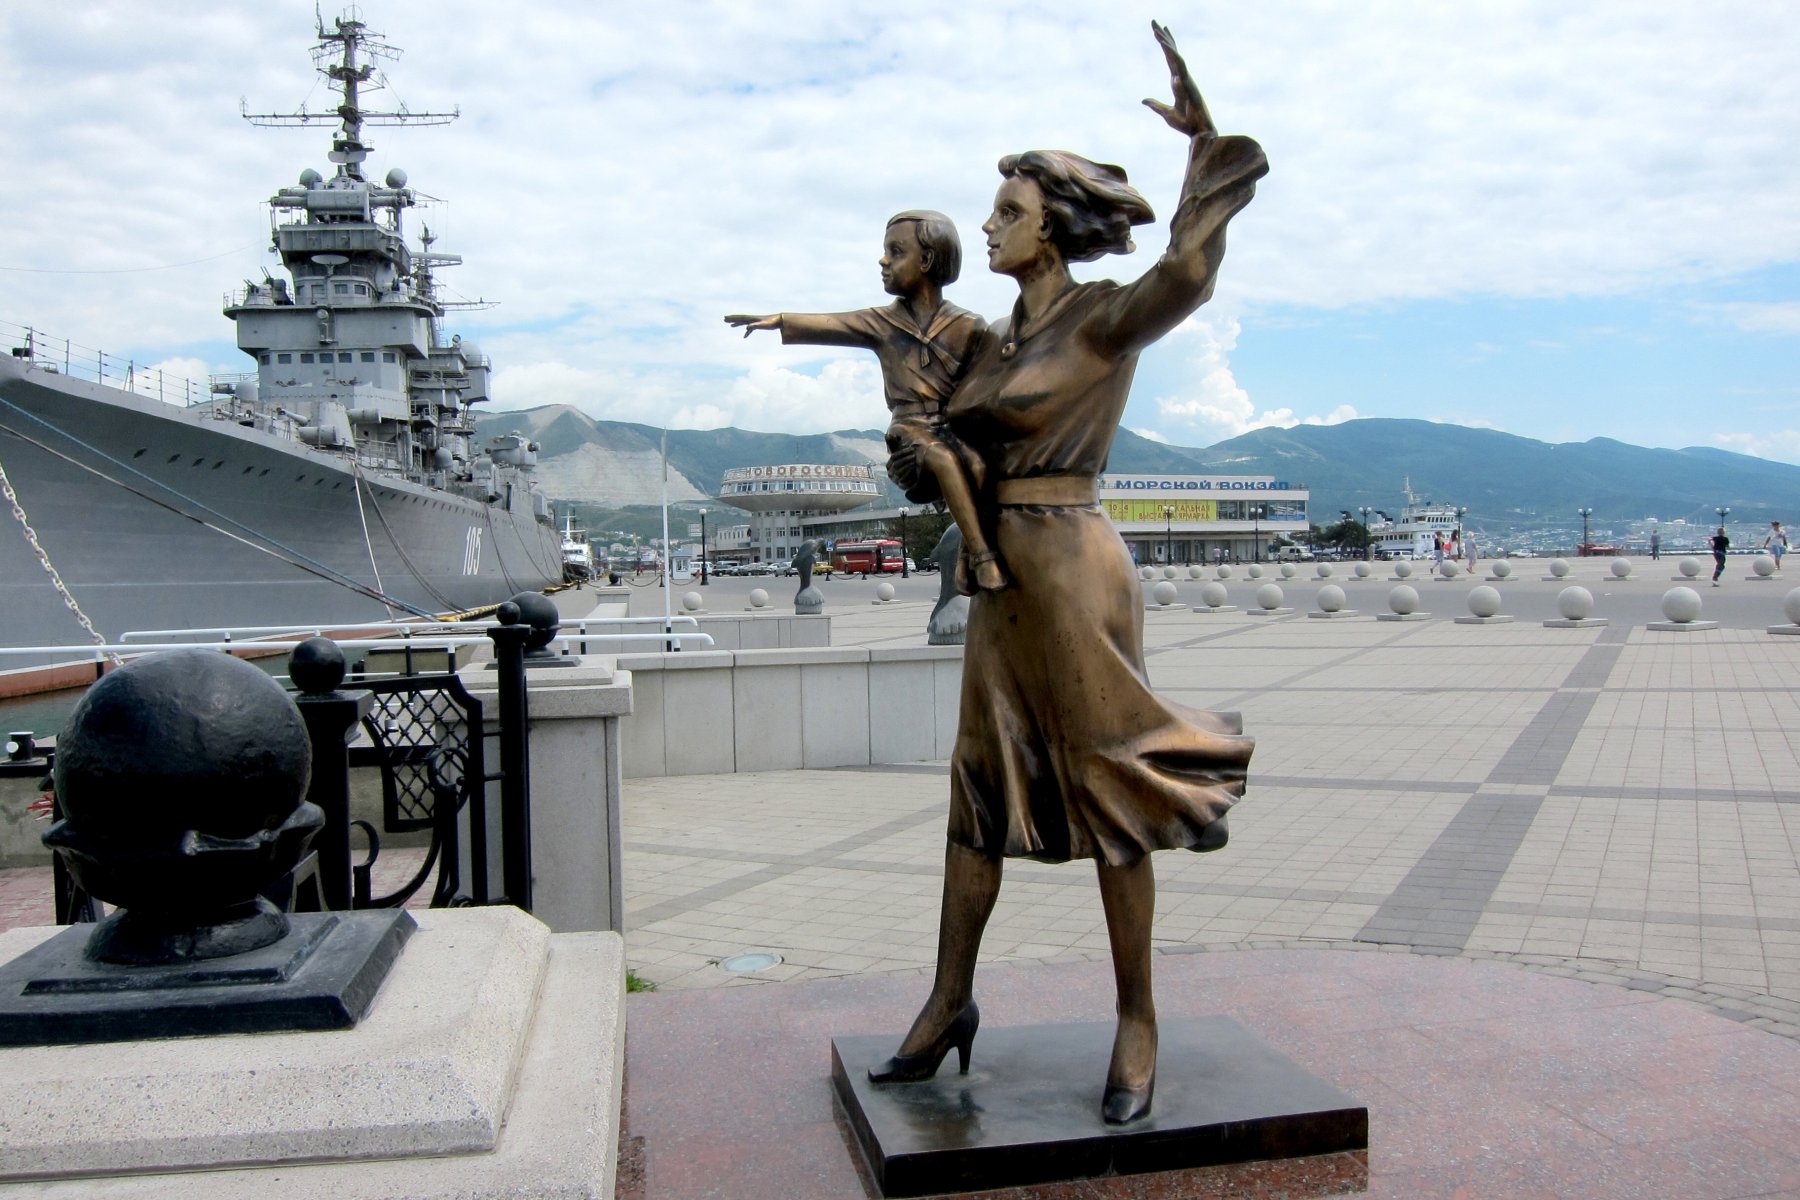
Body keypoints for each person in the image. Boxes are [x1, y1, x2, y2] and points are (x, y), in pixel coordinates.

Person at [877, 22, 1264, 1126]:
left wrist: (1202, 147)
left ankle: (1138, 1019)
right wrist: (919, 457)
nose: (989, 229)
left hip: (1074, 566)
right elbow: (947, 445)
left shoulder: (1099, 322)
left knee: (1110, 789)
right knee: (976, 788)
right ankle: (948, 1000)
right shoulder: (987, 343)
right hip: (996, 578)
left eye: (1007, 213)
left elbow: (1187, 271)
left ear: (1051, 229)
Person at [726, 212, 1007, 591]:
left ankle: (966, 552)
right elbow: (835, 324)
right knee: (942, 458)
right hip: (910, 430)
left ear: (927, 260)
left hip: (952, 427)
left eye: (896, 252)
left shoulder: (969, 326)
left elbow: (986, 385)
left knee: (980, 464)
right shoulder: (884, 323)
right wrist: (779, 319)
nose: (883, 261)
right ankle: (984, 559)